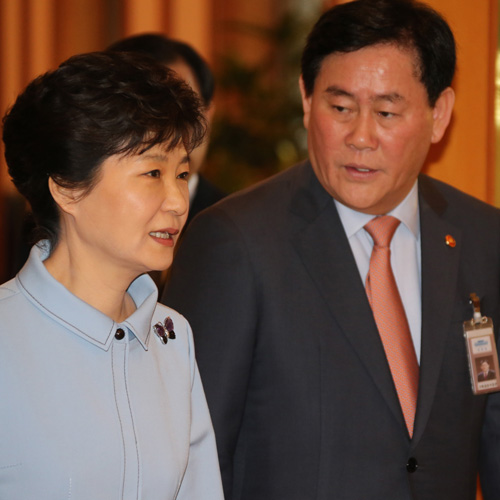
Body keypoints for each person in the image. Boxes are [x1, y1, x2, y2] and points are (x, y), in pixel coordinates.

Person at [161, 0, 500, 499]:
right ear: (306, 98)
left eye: (386, 112)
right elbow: (193, 456)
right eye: (340, 108)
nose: (360, 137)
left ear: (439, 114)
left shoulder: (483, 238)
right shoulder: (235, 243)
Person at [0, 51, 224, 500]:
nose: (178, 201)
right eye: (153, 173)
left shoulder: (172, 336)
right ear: (67, 187)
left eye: (182, 174)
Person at [107, 33, 226, 227]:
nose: (167, 130)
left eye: (184, 109)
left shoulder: (238, 224)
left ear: (208, 115)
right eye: (148, 110)